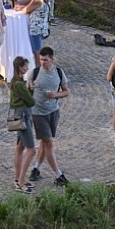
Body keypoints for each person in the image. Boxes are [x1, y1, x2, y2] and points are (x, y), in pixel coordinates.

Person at [32, 46, 70, 186]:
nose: (42, 62)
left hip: (53, 111)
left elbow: (66, 91)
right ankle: (58, 175)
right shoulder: (35, 73)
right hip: (38, 113)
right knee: (49, 142)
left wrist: (55, 95)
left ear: (52, 59)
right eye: (41, 59)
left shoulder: (59, 73)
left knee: (44, 142)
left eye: (45, 60)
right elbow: (26, 91)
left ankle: (36, 168)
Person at [9, 56, 38, 192]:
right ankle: (21, 182)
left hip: (18, 115)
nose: (27, 68)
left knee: (20, 148)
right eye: (25, 66)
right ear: (20, 67)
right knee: (31, 150)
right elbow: (31, 101)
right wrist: (31, 90)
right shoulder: (20, 84)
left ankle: (18, 178)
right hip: (23, 117)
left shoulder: (16, 81)